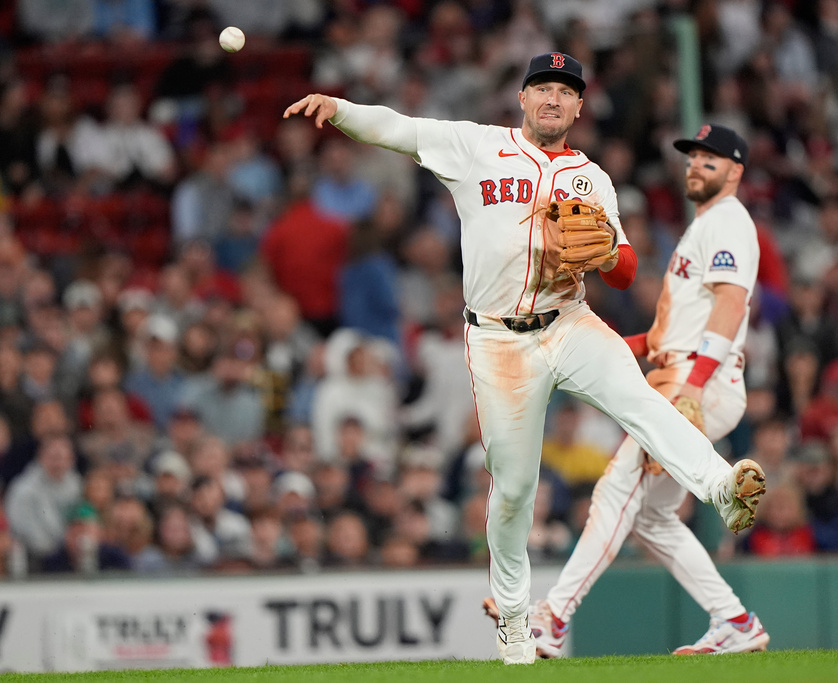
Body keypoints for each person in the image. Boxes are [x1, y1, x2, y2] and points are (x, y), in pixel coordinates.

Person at [284, 55, 766, 665]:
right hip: (498, 341)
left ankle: (722, 486)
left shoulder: (592, 178)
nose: (553, 99)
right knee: (513, 488)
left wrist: (597, 256)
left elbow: (625, 270)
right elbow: (400, 129)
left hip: (570, 322)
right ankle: (514, 616)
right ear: (522, 97)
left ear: (579, 109)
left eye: (565, 93)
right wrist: (342, 111)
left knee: (642, 401)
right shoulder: (475, 147)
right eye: (543, 88)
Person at [488, 124, 769, 658]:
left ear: (736, 171)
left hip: (695, 382)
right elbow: (674, 332)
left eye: (711, 159)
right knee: (651, 517)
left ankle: (554, 617)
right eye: (692, 157)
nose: (696, 166)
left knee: (616, 491)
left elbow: (731, 306)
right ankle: (734, 621)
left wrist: (693, 387)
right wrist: (614, 345)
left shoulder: (729, 222)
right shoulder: (706, 225)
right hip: (681, 368)